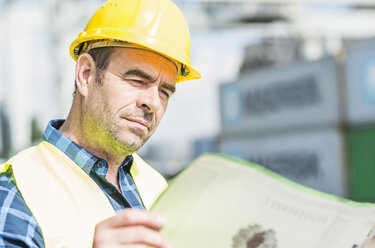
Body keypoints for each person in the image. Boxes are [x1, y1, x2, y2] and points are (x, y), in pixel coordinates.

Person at [0, 0, 200, 247]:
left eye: (165, 92)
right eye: (137, 79)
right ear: (86, 75)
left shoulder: (157, 186)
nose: (153, 103)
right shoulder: (14, 195)